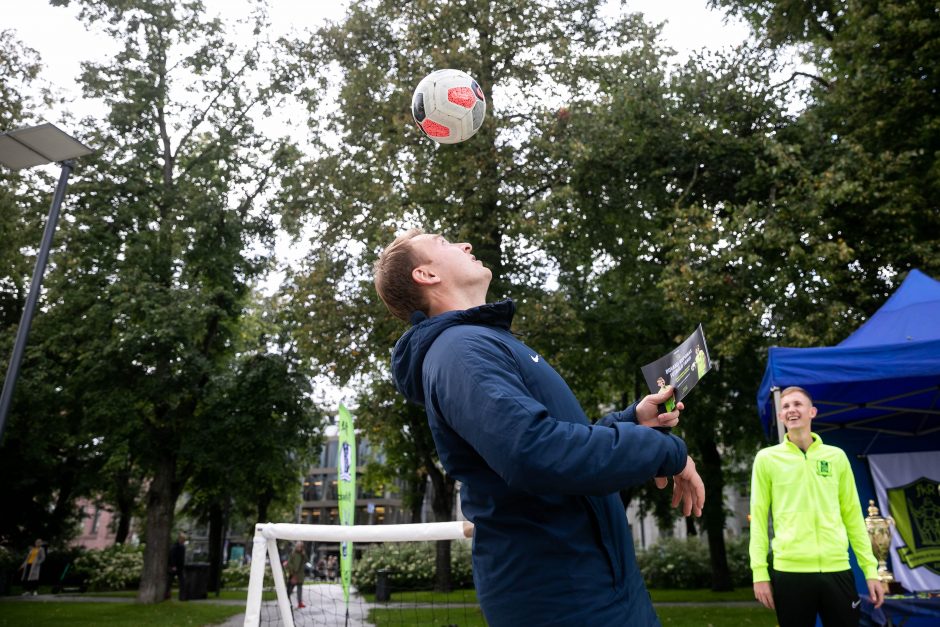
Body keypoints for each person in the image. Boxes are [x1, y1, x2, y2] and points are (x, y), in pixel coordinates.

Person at [373, 229, 705, 626]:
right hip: (562, 596)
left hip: (596, 582)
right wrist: (668, 453)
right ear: (425, 275)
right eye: (445, 243)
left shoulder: (481, 342)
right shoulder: (459, 351)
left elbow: (558, 438)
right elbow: (534, 453)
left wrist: (633, 420)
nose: (465, 245)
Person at [749, 386, 885, 625]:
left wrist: (871, 571)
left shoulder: (836, 457)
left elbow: (853, 516)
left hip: (837, 568)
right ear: (781, 417)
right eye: (786, 406)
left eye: (798, 404)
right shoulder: (766, 459)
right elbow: (759, 519)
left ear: (812, 412)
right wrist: (759, 572)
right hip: (790, 572)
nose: (792, 410)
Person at [284, 541, 306, 609]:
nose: (299, 547)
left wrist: (304, 555)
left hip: (300, 575)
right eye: (298, 546)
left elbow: (306, 561)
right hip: (293, 574)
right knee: (289, 589)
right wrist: (293, 569)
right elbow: (289, 563)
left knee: (300, 589)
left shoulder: (303, 555)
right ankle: (285, 602)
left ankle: (300, 603)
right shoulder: (293, 554)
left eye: (300, 546)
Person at [167, 532, 186, 600]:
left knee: (182, 582)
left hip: (180, 567)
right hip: (174, 566)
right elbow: (172, 556)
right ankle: (166, 594)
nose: (183, 541)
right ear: (180, 539)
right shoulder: (175, 547)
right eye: (183, 539)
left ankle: (182, 597)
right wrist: (173, 565)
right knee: (170, 581)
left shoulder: (182, 547)